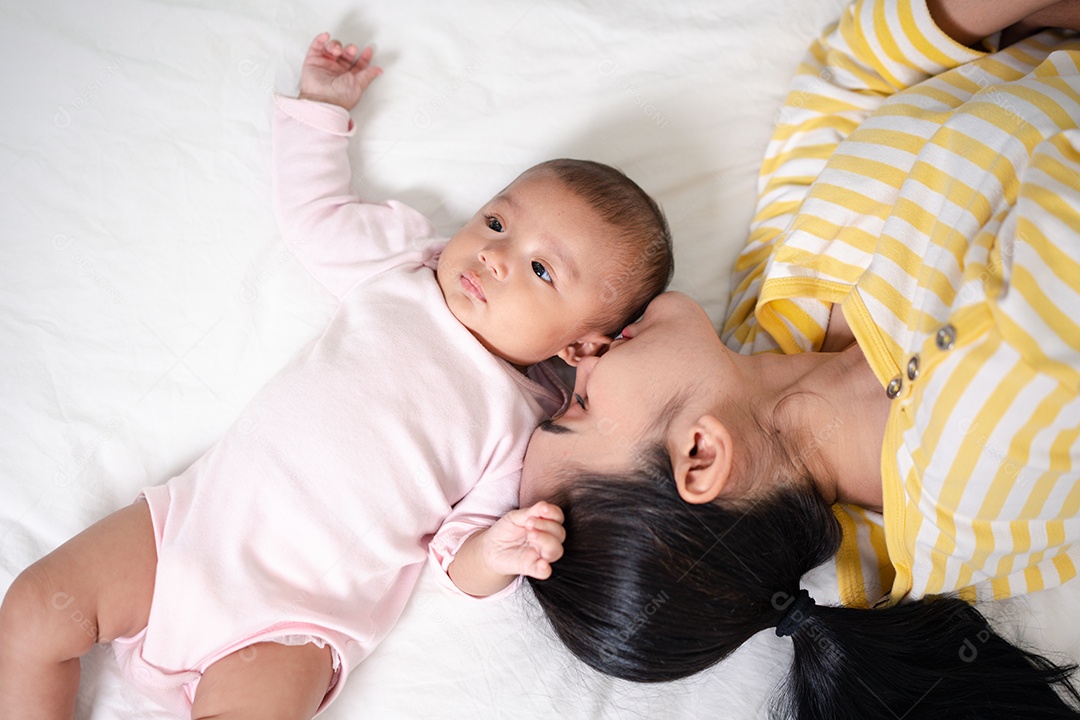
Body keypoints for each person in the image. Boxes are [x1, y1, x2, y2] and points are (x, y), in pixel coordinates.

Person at [0, 33, 673, 719]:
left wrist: (498, 552)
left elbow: (455, 558)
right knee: (32, 609)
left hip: (295, 619)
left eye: (540, 269)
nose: (496, 255)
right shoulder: (406, 270)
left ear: (584, 344)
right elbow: (316, 217)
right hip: (187, 532)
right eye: (497, 221)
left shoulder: (518, 425)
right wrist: (318, 114)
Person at [520, 0, 1080, 717]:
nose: (581, 354)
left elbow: (845, 78)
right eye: (580, 402)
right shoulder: (986, 451)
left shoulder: (774, 327)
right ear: (699, 456)